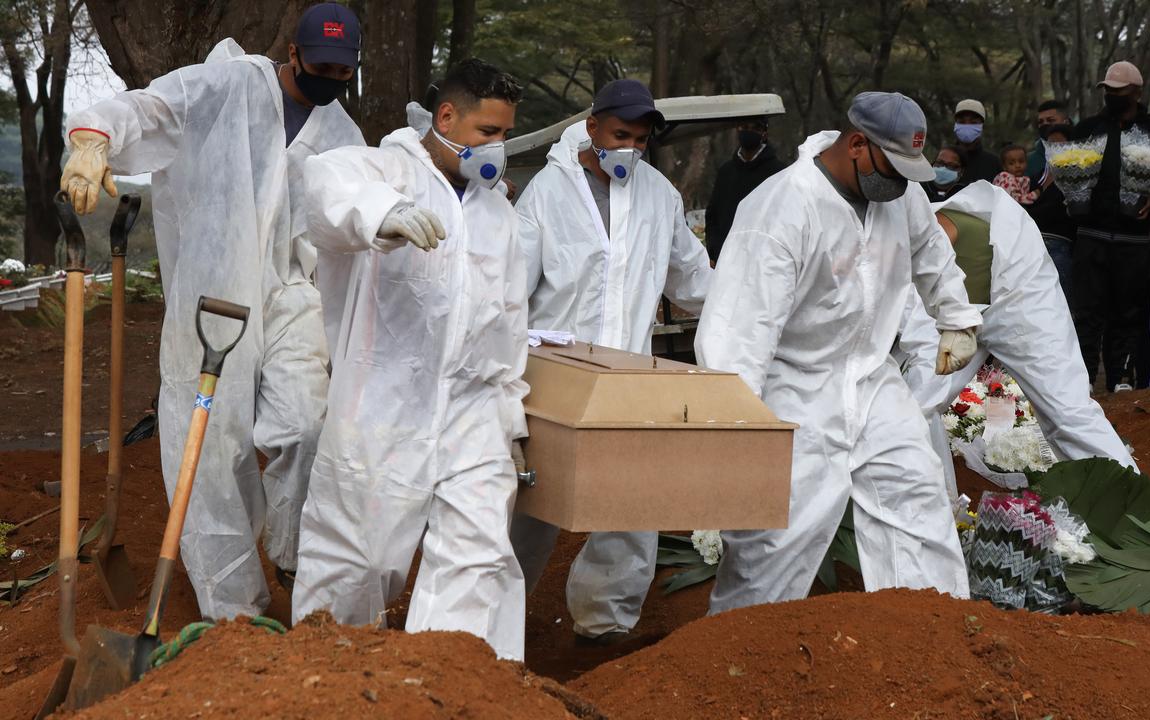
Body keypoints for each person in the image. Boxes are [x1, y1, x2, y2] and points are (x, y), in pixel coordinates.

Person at [58, 3, 364, 619]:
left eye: (342, 69)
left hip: (292, 293)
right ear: (294, 54)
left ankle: (294, 552)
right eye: (320, 64)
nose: (330, 79)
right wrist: (93, 137)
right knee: (211, 450)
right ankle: (234, 612)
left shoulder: (342, 133)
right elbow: (151, 109)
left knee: (306, 423)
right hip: (213, 294)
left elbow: (357, 209)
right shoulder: (226, 86)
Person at [696, 91, 983, 613]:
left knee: (918, 499)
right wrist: (736, 432)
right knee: (779, 534)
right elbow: (740, 330)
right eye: (892, 168)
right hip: (794, 389)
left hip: (874, 379)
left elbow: (930, 252)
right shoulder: (782, 206)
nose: (900, 184)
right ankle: (741, 646)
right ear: (856, 144)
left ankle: (927, 632)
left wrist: (956, 316)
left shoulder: (901, 194)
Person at [291, 59, 529, 661]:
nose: (496, 149)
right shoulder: (383, 169)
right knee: (359, 557)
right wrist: (380, 214)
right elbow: (323, 185)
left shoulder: (498, 214)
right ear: (446, 117)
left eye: (504, 135)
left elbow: (508, 321)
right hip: (382, 406)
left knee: (477, 558)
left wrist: (511, 417)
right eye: (487, 133)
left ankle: (448, 679)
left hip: (473, 410)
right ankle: (325, 673)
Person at [510, 79, 712, 644]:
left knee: (633, 500)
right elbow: (510, 289)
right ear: (593, 126)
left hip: (629, 374)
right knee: (531, 502)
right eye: (620, 135)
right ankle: (493, 618)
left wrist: (747, 309)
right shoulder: (548, 193)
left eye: (641, 139)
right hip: (555, 373)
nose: (630, 148)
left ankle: (605, 623)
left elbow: (694, 282)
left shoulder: (659, 195)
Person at [897, 181, 1137, 500]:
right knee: (910, 403)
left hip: (1012, 279)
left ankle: (1133, 506)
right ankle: (922, 514)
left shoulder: (907, 233)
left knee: (1067, 411)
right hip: (951, 291)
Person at [1070, 61, 1150, 393]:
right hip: (1091, 236)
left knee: (1127, 314)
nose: (1112, 96)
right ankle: (1083, 379)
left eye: (1119, 91)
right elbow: (1067, 173)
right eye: (1108, 91)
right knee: (1086, 314)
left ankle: (1121, 379)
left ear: (1136, 93)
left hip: (1132, 241)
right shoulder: (1087, 129)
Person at [705, 116, 786, 264]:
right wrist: (713, 252)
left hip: (763, 263)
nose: (748, 131)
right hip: (724, 261)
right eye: (744, 127)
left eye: (755, 127)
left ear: (764, 134)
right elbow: (712, 215)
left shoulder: (779, 173)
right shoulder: (726, 171)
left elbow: (783, 220)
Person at [1027, 125, 1076, 305]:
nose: (1054, 149)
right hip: (1031, 253)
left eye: (1060, 144)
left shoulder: (1076, 181)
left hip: (1060, 254)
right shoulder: (1034, 178)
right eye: (1050, 144)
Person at [952, 99, 1001, 187]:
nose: (967, 126)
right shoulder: (944, 160)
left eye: (973, 122)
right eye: (962, 122)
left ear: (982, 126)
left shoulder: (994, 163)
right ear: (955, 125)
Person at [1027, 99, 1072, 185]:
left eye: (1051, 120)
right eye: (1040, 122)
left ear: (1066, 122)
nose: (1045, 124)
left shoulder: (1083, 154)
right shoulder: (1028, 162)